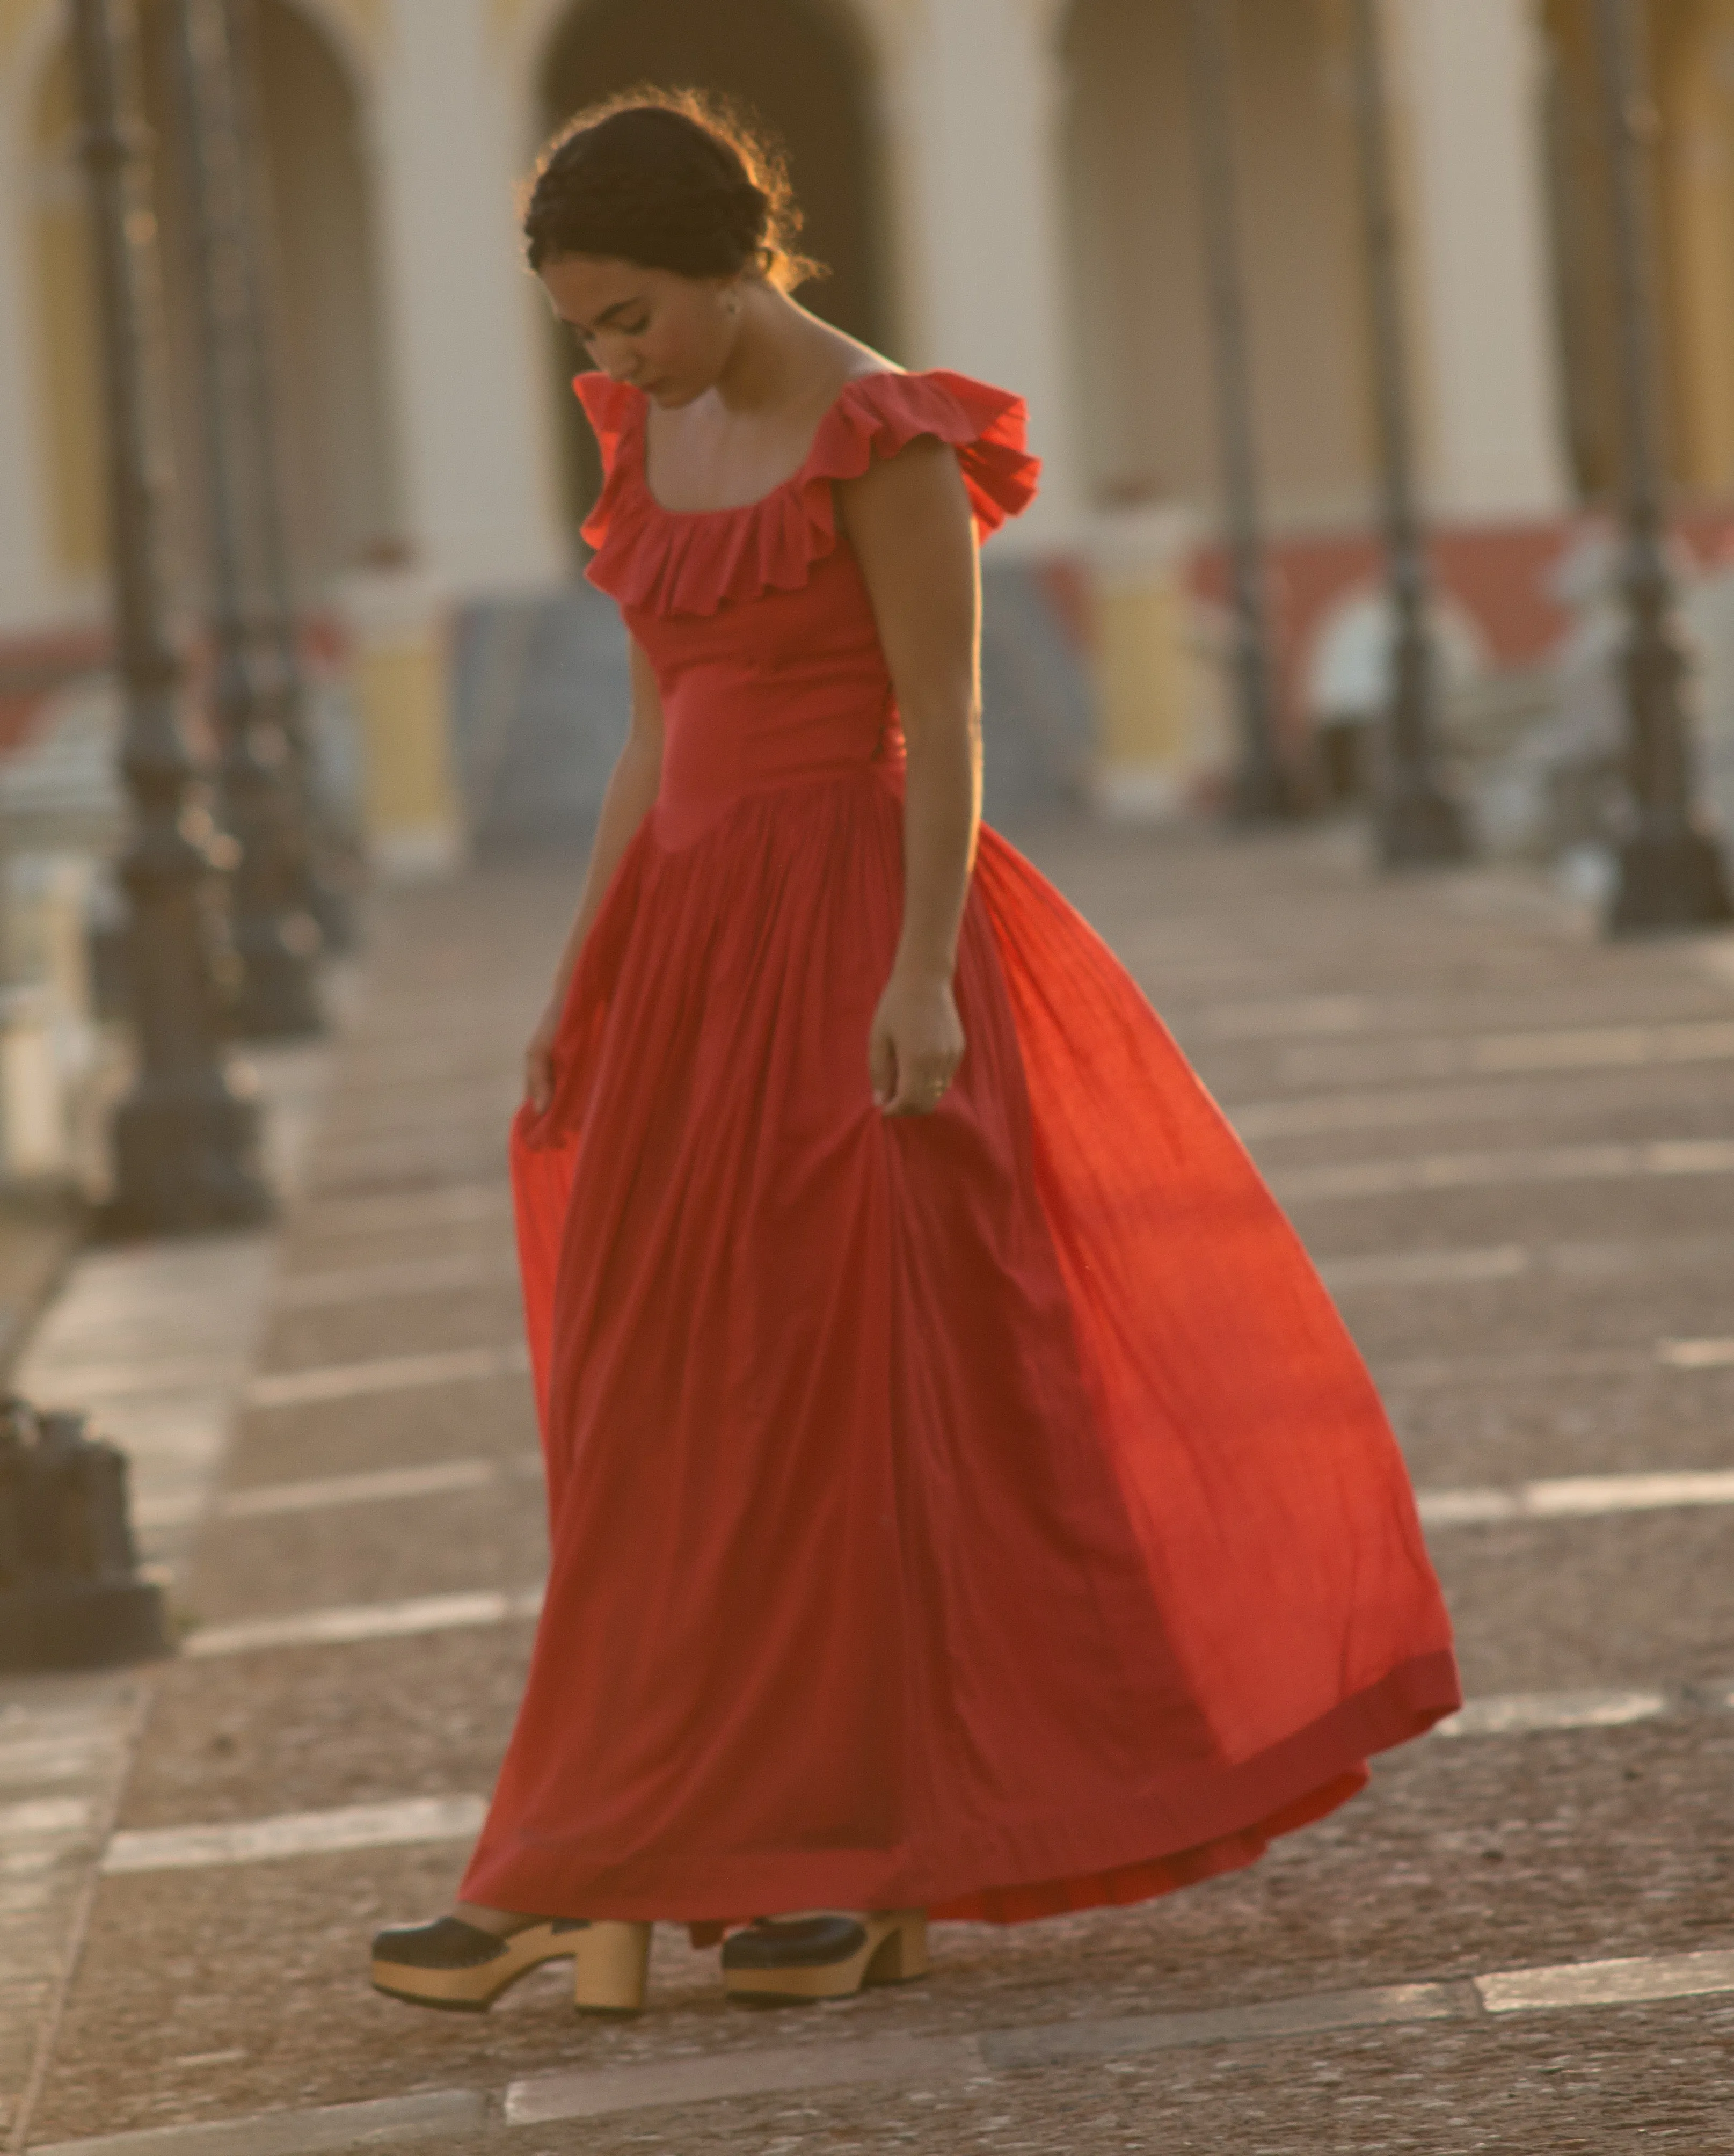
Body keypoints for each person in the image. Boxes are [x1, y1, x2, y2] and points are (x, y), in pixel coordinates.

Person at [370, 91, 1459, 2019]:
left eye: (628, 316)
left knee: (840, 1403)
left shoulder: (885, 429)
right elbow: (648, 735)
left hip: (852, 935)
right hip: (688, 940)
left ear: (722, 261)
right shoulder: (647, 426)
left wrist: (923, 975)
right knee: (656, 1398)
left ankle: (808, 1864)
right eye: (583, 331)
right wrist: (580, 969)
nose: (607, 359)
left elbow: (946, 725)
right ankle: (603, 1836)